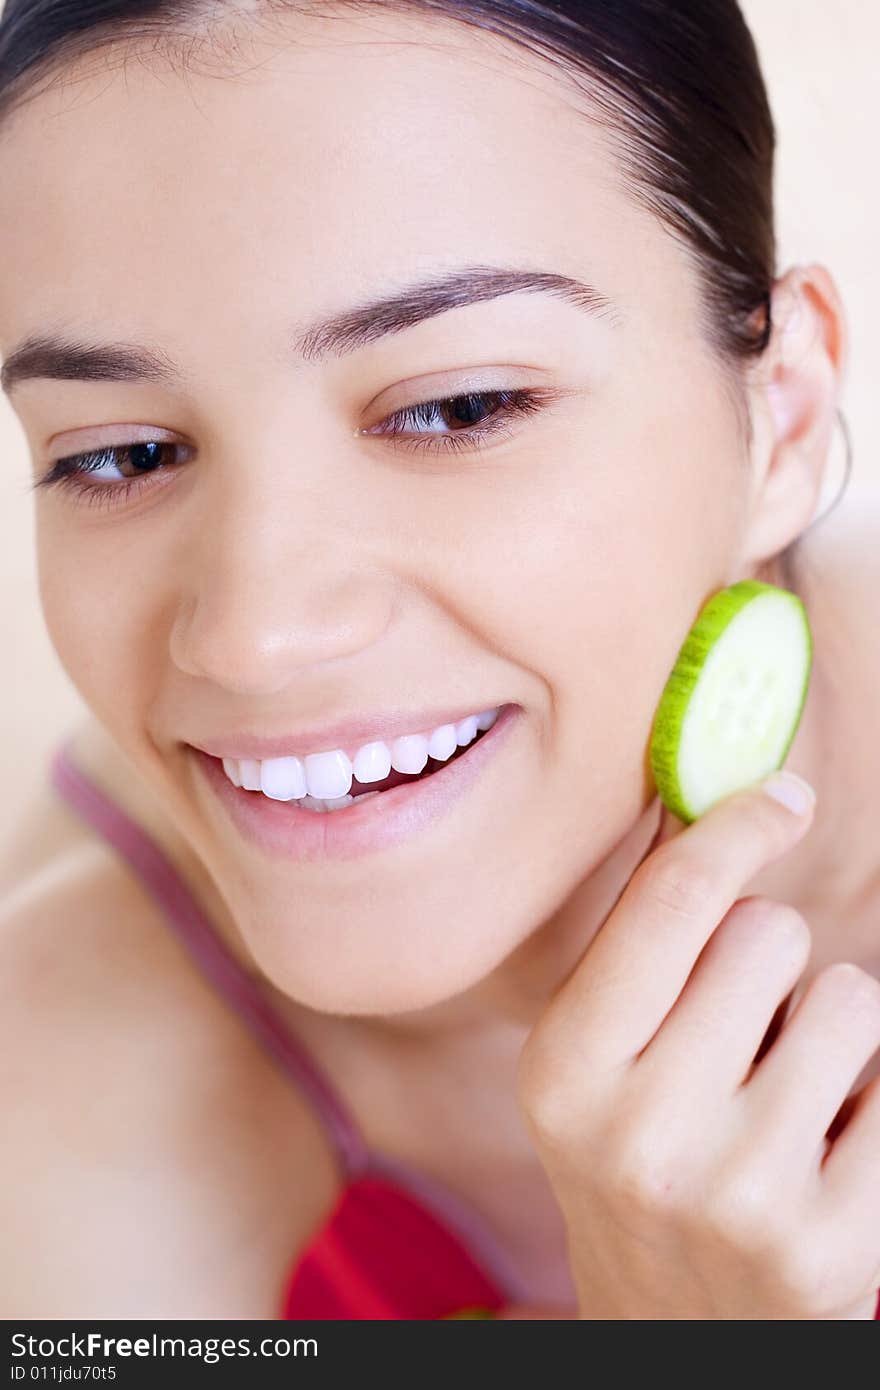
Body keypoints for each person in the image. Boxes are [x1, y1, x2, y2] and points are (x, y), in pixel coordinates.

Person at [0, 0, 877, 1320]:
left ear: (787, 409)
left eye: (459, 408)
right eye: (118, 453)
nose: (252, 637)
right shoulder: (62, 1071)